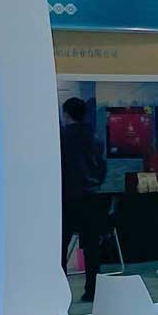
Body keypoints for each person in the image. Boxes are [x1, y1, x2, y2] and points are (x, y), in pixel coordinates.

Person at [58, 98, 108, 303]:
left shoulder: (61, 137)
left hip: (66, 198)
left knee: (60, 247)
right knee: (92, 248)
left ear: (66, 114)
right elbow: (102, 167)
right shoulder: (94, 137)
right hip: (91, 197)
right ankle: (93, 290)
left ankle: (60, 291)